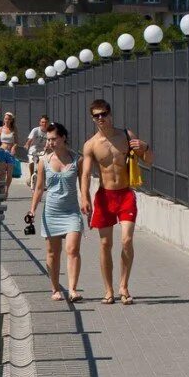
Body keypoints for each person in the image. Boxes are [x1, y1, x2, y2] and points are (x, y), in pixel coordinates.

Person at [80, 98, 152, 304]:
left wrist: (146, 147)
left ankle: (124, 286)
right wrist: (85, 197)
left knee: (127, 240)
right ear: (92, 118)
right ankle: (108, 290)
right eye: (97, 115)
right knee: (105, 244)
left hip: (125, 194)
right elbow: (85, 174)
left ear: (110, 114)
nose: (101, 118)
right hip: (104, 196)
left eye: (104, 114)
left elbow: (149, 160)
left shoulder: (126, 136)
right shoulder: (91, 145)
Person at [29, 122, 83, 302]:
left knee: (72, 249)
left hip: (72, 212)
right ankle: (55, 288)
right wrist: (32, 210)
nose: (51, 142)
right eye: (49, 139)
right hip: (51, 212)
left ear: (63, 138)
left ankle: (73, 289)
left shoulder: (77, 159)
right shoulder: (44, 161)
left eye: (54, 139)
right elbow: (38, 188)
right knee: (53, 252)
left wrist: (86, 202)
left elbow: (84, 184)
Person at [0, 111, 20, 196]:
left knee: (9, 173)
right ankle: (1, 190)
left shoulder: (14, 129)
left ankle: (6, 189)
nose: (7, 120)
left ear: (11, 120)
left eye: (9, 119)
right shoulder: (0, 129)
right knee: (1, 172)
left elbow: (17, 142)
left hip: (10, 153)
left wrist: (13, 147)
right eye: (6, 118)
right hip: (2, 150)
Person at [24, 115, 50, 188]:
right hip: (34, 148)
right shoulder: (35, 130)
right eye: (42, 122)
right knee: (31, 162)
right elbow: (30, 140)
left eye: (45, 122)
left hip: (43, 149)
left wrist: (46, 147)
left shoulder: (49, 132)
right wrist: (27, 145)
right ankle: (31, 175)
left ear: (48, 123)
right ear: (40, 123)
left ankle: (44, 180)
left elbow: (49, 141)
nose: (44, 124)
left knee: (44, 164)